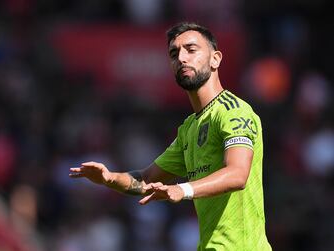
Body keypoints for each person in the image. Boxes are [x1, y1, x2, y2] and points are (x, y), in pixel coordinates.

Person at [69, 22, 272, 251]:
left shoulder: (233, 111)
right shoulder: (189, 129)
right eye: (174, 53)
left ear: (215, 59)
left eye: (191, 49)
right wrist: (109, 178)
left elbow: (238, 174)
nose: (182, 58)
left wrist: (182, 189)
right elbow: (146, 179)